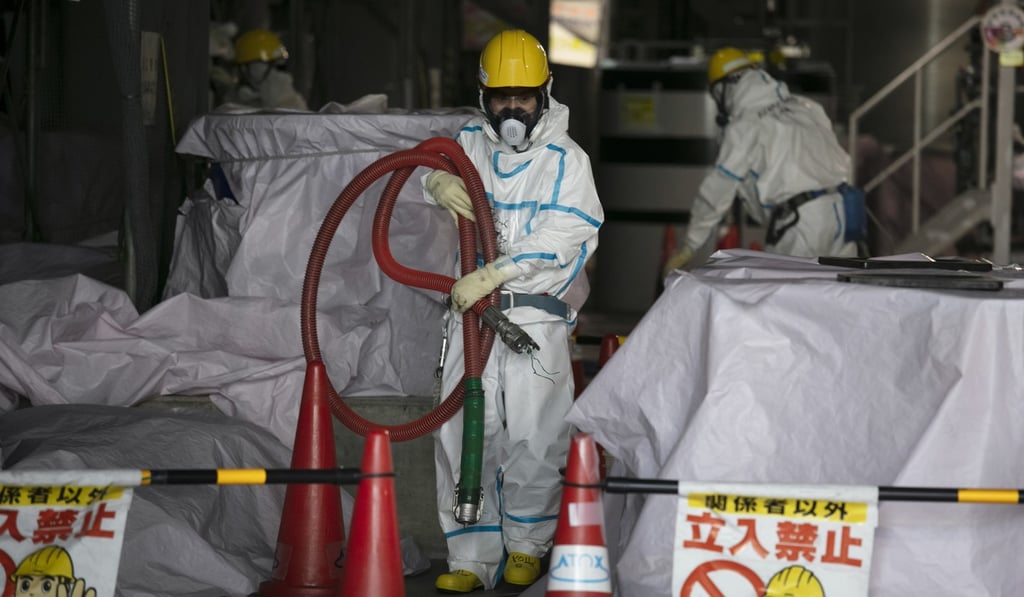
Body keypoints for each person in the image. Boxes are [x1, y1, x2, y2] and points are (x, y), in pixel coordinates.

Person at [421, 29, 603, 593]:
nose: (513, 108)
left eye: (524, 96)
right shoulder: (468, 142)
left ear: (545, 92)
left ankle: (528, 545)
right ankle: (470, 557)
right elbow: (422, 172)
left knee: (534, 433)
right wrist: (434, 180)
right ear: (484, 96)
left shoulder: (566, 160)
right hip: (471, 316)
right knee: (460, 430)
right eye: (502, 97)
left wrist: (495, 272)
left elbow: (567, 230)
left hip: (532, 318)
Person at [663, 47, 865, 277]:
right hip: (845, 211)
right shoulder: (805, 107)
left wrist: (690, 244)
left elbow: (718, 189)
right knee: (838, 300)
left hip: (802, 223)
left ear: (724, 89)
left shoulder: (745, 126)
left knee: (784, 304)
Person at [219, 29, 308, 112]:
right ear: (244, 69)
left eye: (278, 66)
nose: (274, 74)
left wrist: (286, 102)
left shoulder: (281, 92)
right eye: (269, 65)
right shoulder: (231, 102)